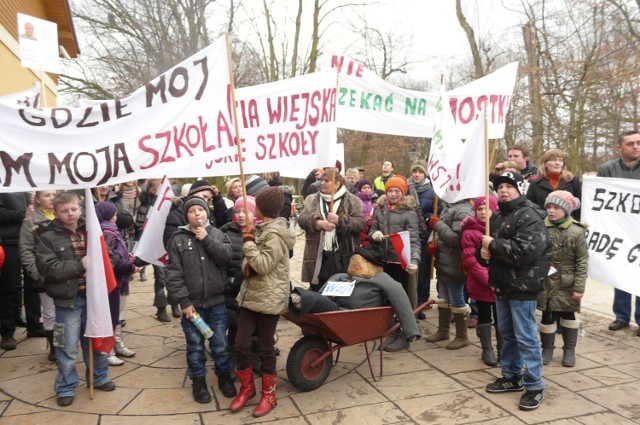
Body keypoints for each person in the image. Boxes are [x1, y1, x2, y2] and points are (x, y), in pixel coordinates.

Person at [479, 171, 552, 411]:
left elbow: (525, 253)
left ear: (519, 188)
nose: (503, 190)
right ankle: (512, 376)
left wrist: (494, 245)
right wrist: (487, 255)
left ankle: (534, 385)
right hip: (503, 284)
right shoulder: (499, 215)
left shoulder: (529, 215)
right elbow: (499, 252)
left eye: (509, 186)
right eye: (500, 186)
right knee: (507, 334)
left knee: (526, 337)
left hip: (524, 285)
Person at [35, 192, 116, 407]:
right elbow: (49, 269)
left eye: (74, 209)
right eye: (64, 211)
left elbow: (108, 256)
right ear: (55, 212)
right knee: (66, 346)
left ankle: (99, 377)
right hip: (67, 301)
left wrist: (104, 258)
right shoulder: (46, 236)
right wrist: (81, 264)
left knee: (95, 341)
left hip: (94, 297)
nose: (70, 214)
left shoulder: (91, 230)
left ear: (80, 209)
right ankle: (65, 386)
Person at [230, 187, 296, 417]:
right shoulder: (259, 228)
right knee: (240, 344)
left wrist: (247, 244)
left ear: (263, 208)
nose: (253, 207)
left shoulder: (275, 235)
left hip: (269, 298)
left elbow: (263, 266)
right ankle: (247, 389)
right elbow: (249, 265)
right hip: (251, 295)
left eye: (256, 203)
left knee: (266, 347)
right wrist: (247, 259)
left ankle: (269, 395)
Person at [165, 196, 236, 403]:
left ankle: (224, 377)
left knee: (220, 344)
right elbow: (173, 274)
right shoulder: (178, 239)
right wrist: (184, 302)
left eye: (201, 210)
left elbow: (226, 257)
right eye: (192, 210)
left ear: (207, 212)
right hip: (192, 307)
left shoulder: (217, 234)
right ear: (186, 215)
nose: (197, 214)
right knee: (195, 346)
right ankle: (198, 381)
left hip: (217, 304)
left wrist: (206, 239)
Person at [290, 245, 421, 344]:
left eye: (363, 261)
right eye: (354, 260)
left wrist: (411, 331)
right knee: (319, 302)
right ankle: (298, 302)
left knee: (320, 303)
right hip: (331, 314)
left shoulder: (381, 279)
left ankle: (300, 300)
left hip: (349, 314)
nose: (357, 263)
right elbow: (321, 294)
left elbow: (400, 299)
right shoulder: (339, 276)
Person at [369, 175, 421, 351]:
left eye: (396, 191)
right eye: (390, 190)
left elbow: (414, 239)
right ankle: (392, 329)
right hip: (385, 261)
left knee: (403, 299)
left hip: (401, 262)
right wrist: (373, 235)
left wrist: (414, 260)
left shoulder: (409, 212)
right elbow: (373, 228)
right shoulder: (381, 209)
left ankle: (405, 333)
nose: (392, 194)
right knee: (387, 297)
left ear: (403, 193)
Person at [538, 191, 588, 367]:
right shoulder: (541, 227)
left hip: (567, 282)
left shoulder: (576, 231)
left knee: (568, 315)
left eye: (556, 207)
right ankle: (547, 349)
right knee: (547, 314)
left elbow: (582, 261)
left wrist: (579, 287)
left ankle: (569, 350)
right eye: (549, 207)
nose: (551, 211)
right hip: (547, 281)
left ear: (566, 210)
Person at [597, 130, 640, 333]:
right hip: (618, 230)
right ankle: (621, 316)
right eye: (630, 143)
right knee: (620, 272)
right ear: (619, 147)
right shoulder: (607, 169)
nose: (635, 146)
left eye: (639, 142)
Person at [298, 172, 365, 291]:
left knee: (340, 291)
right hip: (318, 254)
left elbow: (360, 223)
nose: (322, 183)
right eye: (322, 180)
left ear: (337, 183)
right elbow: (302, 219)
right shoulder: (312, 199)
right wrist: (318, 223)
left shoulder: (352, 200)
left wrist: (340, 221)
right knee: (317, 289)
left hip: (342, 254)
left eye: (327, 180)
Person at [424, 195, 474, 350]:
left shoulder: (463, 210)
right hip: (444, 263)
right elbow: (439, 235)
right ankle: (443, 331)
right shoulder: (448, 207)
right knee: (443, 298)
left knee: (457, 300)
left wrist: (437, 224)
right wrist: (431, 243)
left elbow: (456, 239)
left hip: (454, 265)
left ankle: (461, 336)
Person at [95, 202, 138, 367]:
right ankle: (108, 350)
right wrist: (130, 266)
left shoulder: (113, 231)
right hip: (111, 281)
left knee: (119, 314)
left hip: (119, 280)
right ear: (107, 215)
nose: (117, 216)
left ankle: (118, 344)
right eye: (113, 213)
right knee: (110, 316)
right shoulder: (107, 233)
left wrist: (127, 256)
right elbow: (110, 260)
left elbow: (117, 254)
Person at [19, 190, 58, 360]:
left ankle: (65, 344)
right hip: (45, 277)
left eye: (54, 194)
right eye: (47, 195)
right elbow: (26, 250)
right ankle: (56, 347)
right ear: (39, 199)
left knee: (66, 313)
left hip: (67, 274)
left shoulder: (64, 215)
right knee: (50, 313)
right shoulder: (31, 221)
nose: (52, 198)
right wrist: (36, 274)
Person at [461, 196, 499, 366]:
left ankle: (503, 348)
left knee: (502, 318)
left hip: (500, 283)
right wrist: (488, 280)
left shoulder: (501, 228)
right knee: (484, 316)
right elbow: (471, 260)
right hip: (482, 283)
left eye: (487, 208)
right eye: (480, 209)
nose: (483, 212)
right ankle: (487, 349)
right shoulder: (470, 232)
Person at [0, 191, 31, 350]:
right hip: (7, 241)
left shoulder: (21, 180)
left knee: (32, 283)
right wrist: (23, 214)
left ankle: (33, 323)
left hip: (27, 237)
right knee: (9, 286)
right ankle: (7, 332)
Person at [407, 159, 439, 311]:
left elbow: (438, 211)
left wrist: (428, 217)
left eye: (420, 172)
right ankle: (410, 298)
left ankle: (423, 298)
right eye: (414, 171)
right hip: (408, 233)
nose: (417, 174)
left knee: (424, 268)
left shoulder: (432, 191)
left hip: (425, 234)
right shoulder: (405, 188)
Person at [527, 149, 582, 219]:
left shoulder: (573, 181)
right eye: (553, 160)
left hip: (569, 225)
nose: (557, 163)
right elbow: (530, 208)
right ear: (545, 163)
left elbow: (580, 207)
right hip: (543, 225)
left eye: (560, 160)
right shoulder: (535, 184)